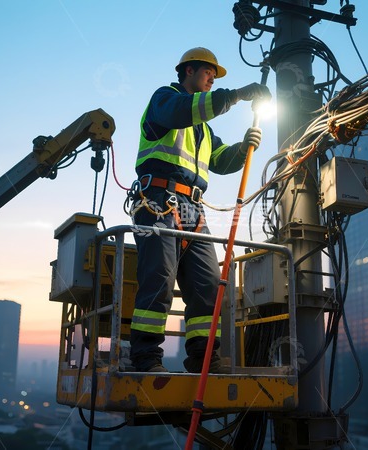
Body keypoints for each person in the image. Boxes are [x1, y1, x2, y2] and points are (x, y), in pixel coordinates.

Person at [129, 47, 271, 373]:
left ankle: (204, 358)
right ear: (189, 70)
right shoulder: (165, 100)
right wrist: (236, 95)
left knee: (208, 287)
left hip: (193, 210)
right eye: (208, 72)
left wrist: (244, 147)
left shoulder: (203, 129)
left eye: (215, 76)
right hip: (157, 202)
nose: (212, 79)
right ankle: (146, 359)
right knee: (158, 281)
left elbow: (221, 161)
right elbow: (182, 111)